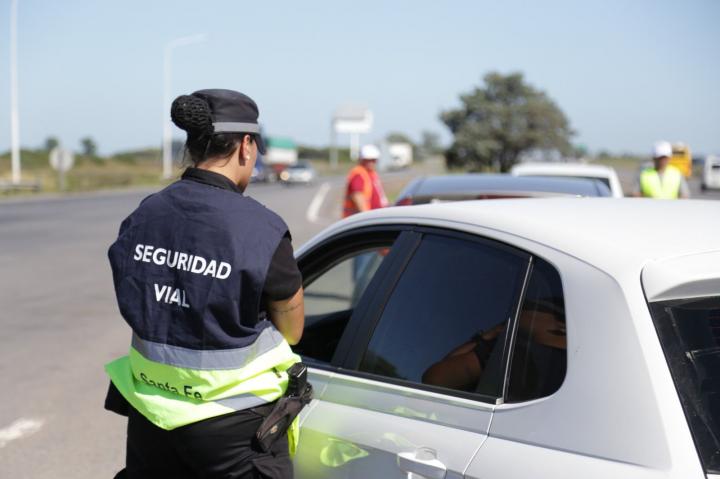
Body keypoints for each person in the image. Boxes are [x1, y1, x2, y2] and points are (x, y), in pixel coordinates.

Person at [104, 89, 305, 479]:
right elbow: (292, 332)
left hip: (151, 414)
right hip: (233, 429)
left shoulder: (145, 214)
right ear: (246, 147)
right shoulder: (260, 229)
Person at [342, 144, 389, 218]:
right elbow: (357, 195)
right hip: (360, 220)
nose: (370, 162)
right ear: (361, 160)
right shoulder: (358, 174)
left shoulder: (371, 173)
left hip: (376, 216)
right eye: (367, 160)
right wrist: (366, 217)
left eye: (373, 160)